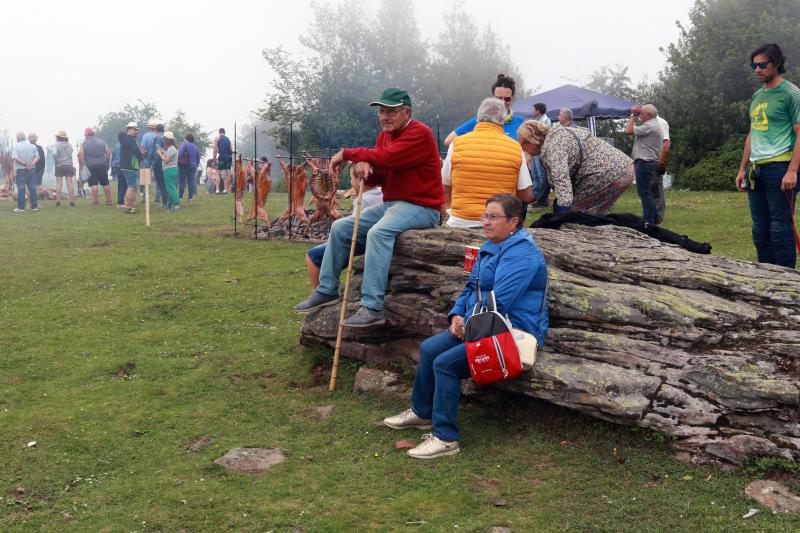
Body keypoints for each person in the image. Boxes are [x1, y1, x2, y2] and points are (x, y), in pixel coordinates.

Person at [383, 194, 548, 459]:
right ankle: (422, 412)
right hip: (482, 325)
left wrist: (467, 324)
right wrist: (456, 315)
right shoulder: (491, 245)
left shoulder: (522, 254)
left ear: (514, 221)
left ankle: (446, 438)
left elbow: (499, 302)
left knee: (445, 364)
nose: (486, 222)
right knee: (429, 349)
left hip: (512, 334)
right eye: (485, 216)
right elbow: (471, 286)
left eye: (493, 217)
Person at [293, 87, 443, 327]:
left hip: (422, 207)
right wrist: (366, 170)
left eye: (391, 112)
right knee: (341, 227)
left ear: (407, 113)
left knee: (379, 232)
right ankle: (327, 289)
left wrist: (348, 154)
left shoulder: (420, 133)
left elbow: (388, 158)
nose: (384, 117)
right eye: (382, 112)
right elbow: (380, 174)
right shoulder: (384, 136)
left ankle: (372, 306)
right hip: (393, 203)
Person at [735, 43, 800, 269]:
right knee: (759, 227)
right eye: (754, 65)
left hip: (780, 168)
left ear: (777, 64)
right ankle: (765, 275)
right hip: (756, 169)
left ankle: (786, 280)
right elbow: (753, 134)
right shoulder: (757, 96)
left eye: (762, 64)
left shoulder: (792, 93)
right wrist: (743, 169)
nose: (757, 69)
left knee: (779, 226)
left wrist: (792, 170)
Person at [441, 97, 532, 228]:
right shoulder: (515, 148)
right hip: (500, 225)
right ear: (503, 120)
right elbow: (525, 195)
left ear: (478, 117)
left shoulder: (457, 144)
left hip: (461, 221)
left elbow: (445, 186)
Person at [518, 120, 634, 215]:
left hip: (608, 174)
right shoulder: (557, 134)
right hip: (623, 168)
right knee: (593, 215)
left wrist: (559, 218)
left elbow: (563, 187)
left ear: (532, 142)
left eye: (522, 144)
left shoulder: (554, 149)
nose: (522, 148)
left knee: (576, 216)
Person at [305, 165, 383, 288]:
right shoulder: (382, 193)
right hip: (374, 240)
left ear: (359, 180)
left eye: (352, 178)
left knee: (312, 255)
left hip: (359, 243)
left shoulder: (363, 200)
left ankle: (321, 291)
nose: (351, 182)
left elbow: (353, 230)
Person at [444, 74, 524, 145]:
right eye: (498, 98)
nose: (502, 102)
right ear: (492, 97)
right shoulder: (479, 121)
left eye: (507, 99)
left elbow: (531, 146)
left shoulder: (520, 122)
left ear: (512, 99)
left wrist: (528, 155)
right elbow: (448, 141)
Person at [625, 103, 663, 224]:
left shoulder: (650, 126)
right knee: (647, 192)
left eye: (641, 113)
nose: (640, 115)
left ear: (648, 114)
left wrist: (633, 115)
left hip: (645, 162)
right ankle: (655, 218)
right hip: (650, 162)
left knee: (644, 192)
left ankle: (648, 220)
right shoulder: (654, 125)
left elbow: (629, 130)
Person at [649, 106, 671, 225]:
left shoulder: (661, 123)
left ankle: (657, 217)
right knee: (650, 189)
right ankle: (650, 215)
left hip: (656, 160)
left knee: (656, 189)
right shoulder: (649, 123)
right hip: (648, 160)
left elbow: (666, 144)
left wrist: (661, 163)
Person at [78, 128, 112, 206]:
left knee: (93, 184)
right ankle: (108, 200)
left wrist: (84, 166)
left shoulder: (83, 144)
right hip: (102, 164)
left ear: (86, 135)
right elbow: (108, 153)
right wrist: (107, 163)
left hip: (91, 165)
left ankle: (96, 202)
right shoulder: (102, 142)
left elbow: (81, 157)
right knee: (105, 183)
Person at [11, 132, 40, 212]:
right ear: (25, 138)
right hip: (32, 170)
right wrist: (32, 163)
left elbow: (15, 158)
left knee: (21, 189)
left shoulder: (16, 147)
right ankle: (34, 206)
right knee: (32, 188)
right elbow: (37, 157)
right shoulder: (32, 146)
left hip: (21, 170)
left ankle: (21, 207)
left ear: (17, 138)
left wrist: (25, 163)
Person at [141, 119, 167, 207]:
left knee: (147, 180)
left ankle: (145, 197)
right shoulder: (166, 137)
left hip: (151, 161)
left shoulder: (147, 136)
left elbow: (144, 148)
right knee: (162, 182)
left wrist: (146, 158)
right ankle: (158, 198)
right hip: (166, 161)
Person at [531, 103, 552, 206]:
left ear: (538, 110)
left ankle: (543, 199)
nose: (532, 111)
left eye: (533, 109)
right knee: (535, 173)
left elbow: (544, 136)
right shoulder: (538, 120)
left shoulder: (546, 121)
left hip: (541, 150)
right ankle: (537, 196)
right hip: (535, 150)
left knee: (541, 174)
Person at [120, 122, 141, 214]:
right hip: (130, 166)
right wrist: (142, 154)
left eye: (137, 130)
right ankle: (129, 207)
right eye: (135, 130)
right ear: (129, 129)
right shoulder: (130, 140)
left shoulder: (126, 139)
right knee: (132, 187)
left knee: (133, 186)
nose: (136, 132)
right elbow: (136, 152)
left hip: (128, 166)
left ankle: (131, 206)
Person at [157, 131, 181, 210]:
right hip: (171, 169)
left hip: (169, 169)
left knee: (170, 187)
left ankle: (176, 203)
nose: (163, 140)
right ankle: (169, 204)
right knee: (170, 187)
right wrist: (163, 152)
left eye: (164, 139)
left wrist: (160, 154)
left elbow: (167, 160)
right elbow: (167, 155)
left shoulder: (171, 149)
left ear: (168, 140)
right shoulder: (171, 148)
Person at [53, 130, 76, 207]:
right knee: (69, 183)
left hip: (60, 165)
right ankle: (72, 202)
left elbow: (54, 154)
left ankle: (58, 202)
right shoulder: (70, 145)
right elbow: (71, 152)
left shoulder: (57, 145)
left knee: (59, 183)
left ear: (58, 137)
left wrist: (57, 161)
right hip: (69, 165)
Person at [178, 133, 200, 202]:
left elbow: (179, 154)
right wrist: (196, 164)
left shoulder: (184, 145)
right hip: (193, 166)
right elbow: (198, 158)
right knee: (191, 182)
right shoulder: (196, 147)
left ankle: (180, 197)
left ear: (186, 138)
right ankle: (190, 198)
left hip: (184, 165)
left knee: (182, 181)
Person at [214, 128, 233, 193]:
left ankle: (217, 190)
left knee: (217, 173)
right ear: (224, 132)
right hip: (228, 157)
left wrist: (214, 159)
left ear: (219, 132)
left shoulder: (217, 138)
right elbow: (231, 150)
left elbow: (215, 150)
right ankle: (225, 189)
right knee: (228, 174)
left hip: (221, 157)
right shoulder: (228, 139)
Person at [28, 133, 45, 200]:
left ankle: (30, 204)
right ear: (36, 140)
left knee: (29, 186)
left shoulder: (27, 148)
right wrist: (42, 169)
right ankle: (36, 203)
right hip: (39, 169)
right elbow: (42, 159)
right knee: (37, 186)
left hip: (29, 168)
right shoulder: (39, 148)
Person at [111, 132, 127, 207]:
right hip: (124, 166)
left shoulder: (116, 146)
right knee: (124, 184)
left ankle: (120, 201)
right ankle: (121, 202)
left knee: (121, 184)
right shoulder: (126, 145)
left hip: (116, 166)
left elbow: (113, 157)